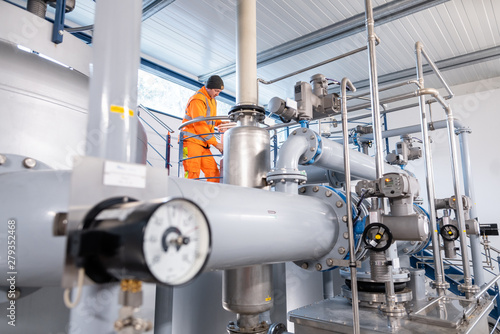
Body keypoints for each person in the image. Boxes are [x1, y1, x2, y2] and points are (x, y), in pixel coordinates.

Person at [181, 75, 225, 183]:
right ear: (208, 87)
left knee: (214, 174)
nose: (217, 94)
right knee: (192, 173)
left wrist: (223, 123)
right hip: (191, 141)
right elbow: (200, 124)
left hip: (203, 144)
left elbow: (210, 120)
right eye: (216, 90)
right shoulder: (197, 99)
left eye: (219, 91)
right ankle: (188, 198)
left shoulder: (212, 100)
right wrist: (216, 144)